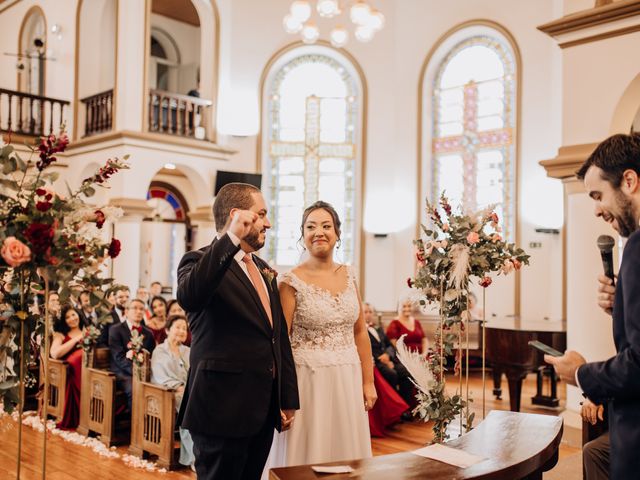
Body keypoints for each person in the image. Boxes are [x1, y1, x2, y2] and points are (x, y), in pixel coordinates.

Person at [176, 182, 299, 480]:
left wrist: (286, 397)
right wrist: (231, 238)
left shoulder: (262, 268)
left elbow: (277, 336)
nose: (268, 222)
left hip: (261, 410)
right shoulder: (197, 261)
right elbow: (190, 296)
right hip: (221, 409)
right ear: (237, 216)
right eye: (262, 214)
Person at [546, 133, 640, 480]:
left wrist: (581, 374)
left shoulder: (636, 247)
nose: (598, 209)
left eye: (599, 195)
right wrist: (624, 306)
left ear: (629, 181)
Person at [265, 201, 376, 473]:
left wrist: (368, 381)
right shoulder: (291, 281)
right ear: (302, 235)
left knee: (346, 450)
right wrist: (282, 395)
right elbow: (281, 342)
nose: (319, 232)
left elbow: (360, 331)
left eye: (326, 226)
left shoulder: (350, 275)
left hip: (348, 378)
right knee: (309, 454)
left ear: (337, 233)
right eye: (311, 226)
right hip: (308, 381)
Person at [150, 314, 194, 468]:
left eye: (184, 328)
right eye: (178, 327)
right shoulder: (160, 350)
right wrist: (180, 387)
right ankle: (193, 459)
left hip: (187, 392)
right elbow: (160, 376)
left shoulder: (188, 351)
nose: (182, 331)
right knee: (190, 410)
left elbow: (194, 374)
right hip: (166, 393)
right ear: (168, 330)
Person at [364, 302, 414, 407]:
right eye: (365, 312)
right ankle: (395, 407)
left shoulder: (378, 328)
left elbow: (390, 345)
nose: (368, 314)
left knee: (407, 371)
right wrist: (381, 359)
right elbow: (365, 349)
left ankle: (406, 406)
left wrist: (388, 355)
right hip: (377, 362)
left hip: (389, 359)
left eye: (370, 312)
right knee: (392, 374)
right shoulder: (361, 332)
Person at [108, 299, 156, 410]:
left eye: (141, 309)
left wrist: (147, 373)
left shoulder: (148, 333)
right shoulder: (115, 330)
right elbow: (118, 358)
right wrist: (138, 372)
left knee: (158, 388)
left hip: (144, 371)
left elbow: (151, 355)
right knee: (135, 388)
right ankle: (135, 424)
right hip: (122, 372)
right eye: (135, 308)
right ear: (126, 311)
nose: (139, 311)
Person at [50, 304, 85, 429]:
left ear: (78, 315)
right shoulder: (60, 334)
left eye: (73, 315)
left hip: (86, 370)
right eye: (67, 317)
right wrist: (76, 340)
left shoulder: (87, 331)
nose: (72, 319)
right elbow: (54, 353)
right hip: (69, 372)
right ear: (63, 321)